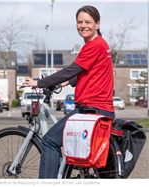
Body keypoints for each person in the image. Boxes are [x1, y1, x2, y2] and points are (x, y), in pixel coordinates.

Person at [22, 5, 115, 178]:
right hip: (101, 108)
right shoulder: (101, 45)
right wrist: (68, 82)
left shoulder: (94, 46)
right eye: (80, 22)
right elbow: (88, 71)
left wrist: (39, 83)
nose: (83, 25)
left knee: (49, 141)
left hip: (91, 110)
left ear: (97, 24)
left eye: (88, 22)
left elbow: (70, 69)